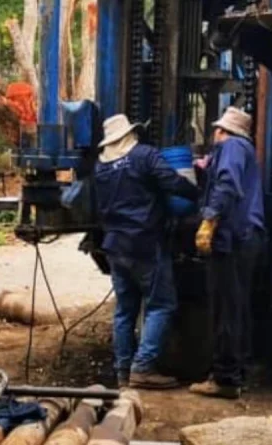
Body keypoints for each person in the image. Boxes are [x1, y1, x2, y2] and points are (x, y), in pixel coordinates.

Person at [93, 114, 199, 389]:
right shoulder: (144, 155)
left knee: (125, 310)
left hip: (114, 245)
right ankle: (143, 367)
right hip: (144, 244)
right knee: (162, 304)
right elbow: (172, 182)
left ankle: (122, 370)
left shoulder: (101, 168)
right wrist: (199, 193)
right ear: (130, 135)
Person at [189, 106, 266, 400]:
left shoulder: (232, 146)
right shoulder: (243, 148)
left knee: (225, 308)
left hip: (232, 238)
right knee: (237, 306)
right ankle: (239, 368)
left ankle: (224, 378)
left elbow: (227, 184)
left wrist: (208, 220)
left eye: (215, 130)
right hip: (247, 238)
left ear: (223, 131)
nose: (213, 135)